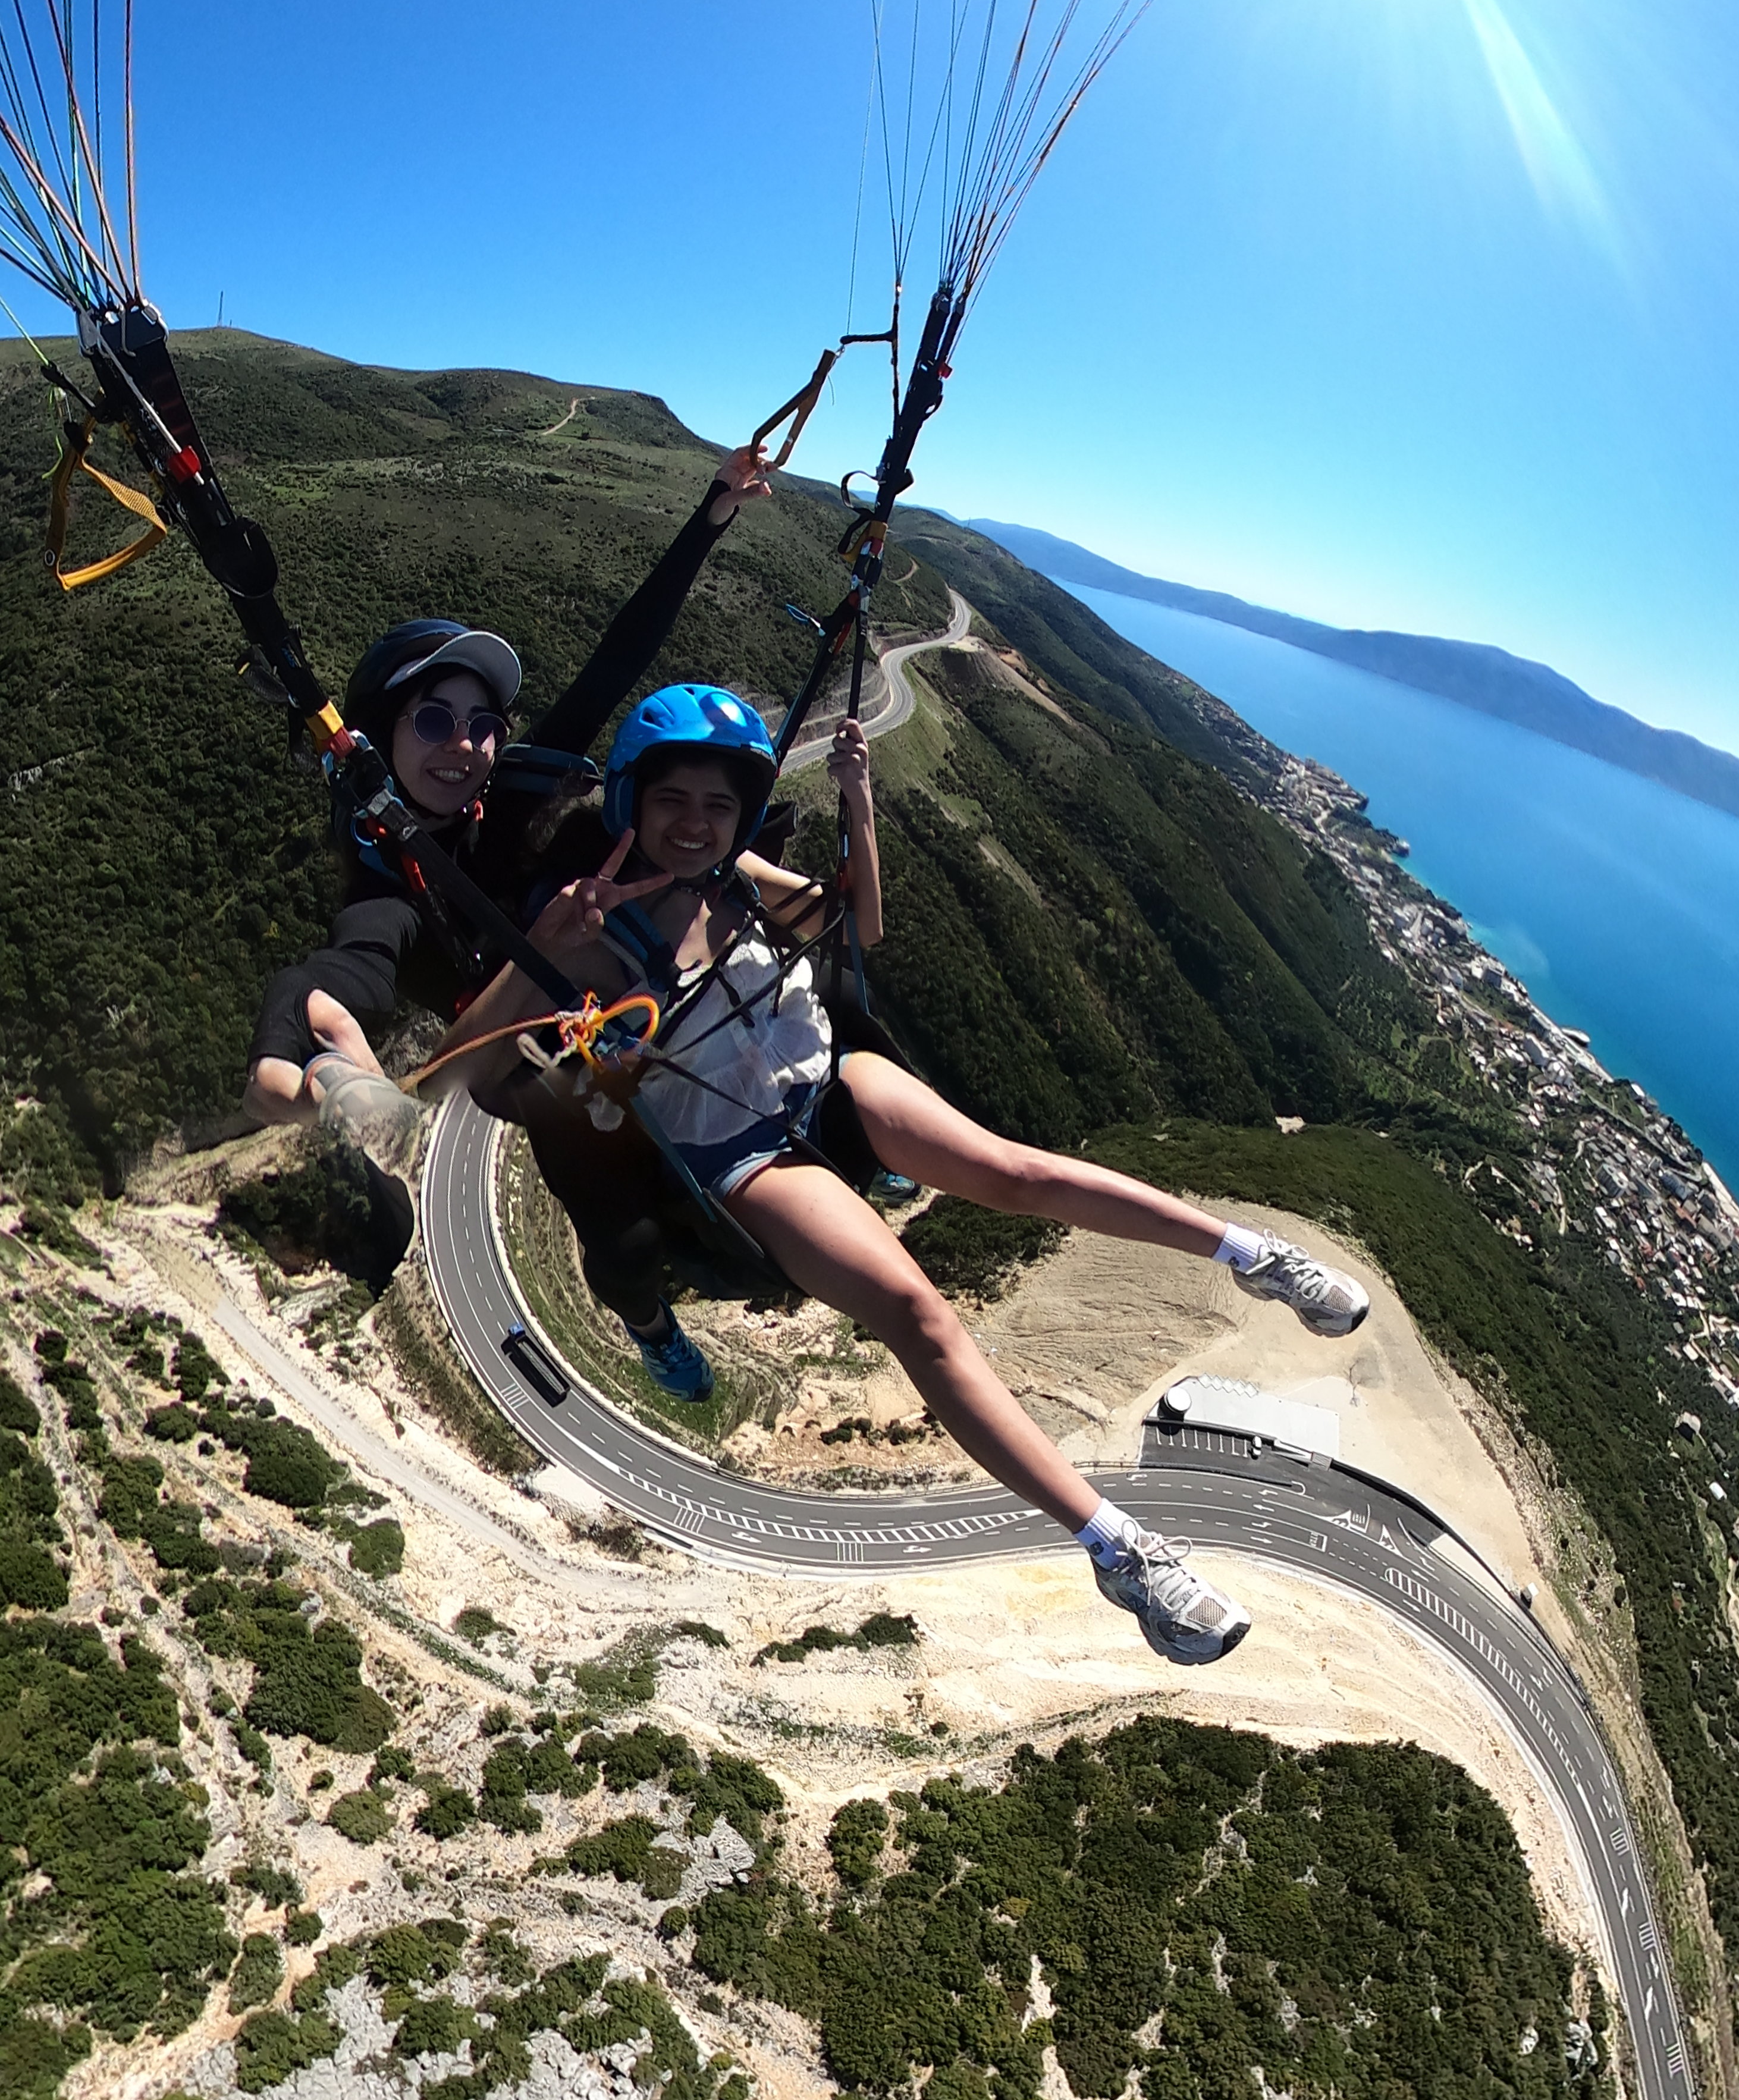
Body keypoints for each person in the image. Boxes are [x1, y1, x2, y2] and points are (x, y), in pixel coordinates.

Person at [409, 681, 1373, 1669]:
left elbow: (855, 928)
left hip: (824, 1082)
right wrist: (547, 956)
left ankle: (1253, 1256)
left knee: (1015, 1169)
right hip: (742, 1155)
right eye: (672, 802)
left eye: (717, 804)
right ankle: (1119, 1549)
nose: (695, 824)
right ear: (630, 804)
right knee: (919, 1315)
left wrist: (859, 803)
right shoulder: (599, 936)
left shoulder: (735, 876)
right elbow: (463, 1071)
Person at [243, 444, 776, 1302]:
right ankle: (650, 1296)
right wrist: (316, 1063)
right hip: (520, 1037)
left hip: (595, 972)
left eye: (483, 722)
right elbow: (343, 969)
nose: (467, 744)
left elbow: (614, 663)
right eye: (436, 720)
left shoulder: (515, 786)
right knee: (617, 1214)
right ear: (386, 734)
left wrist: (708, 516)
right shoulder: (396, 889)